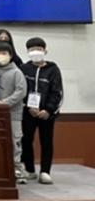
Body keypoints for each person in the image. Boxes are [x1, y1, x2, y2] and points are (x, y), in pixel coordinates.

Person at [20, 37, 63, 184]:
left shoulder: (53, 69)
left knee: (46, 141)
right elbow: (21, 89)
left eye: (38, 49)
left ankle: (45, 171)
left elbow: (57, 92)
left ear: (45, 50)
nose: (35, 52)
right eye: (32, 49)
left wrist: (49, 110)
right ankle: (30, 169)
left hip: (46, 114)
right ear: (27, 52)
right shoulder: (24, 69)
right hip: (28, 112)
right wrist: (28, 106)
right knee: (26, 140)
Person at [0, 41, 28, 183]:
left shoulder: (16, 72)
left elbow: (21, 92)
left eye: (4, 53)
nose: (0, 56)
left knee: (14, 142)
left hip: (13, 114)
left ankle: (17, 169)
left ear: (10, 55)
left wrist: (4, 103)